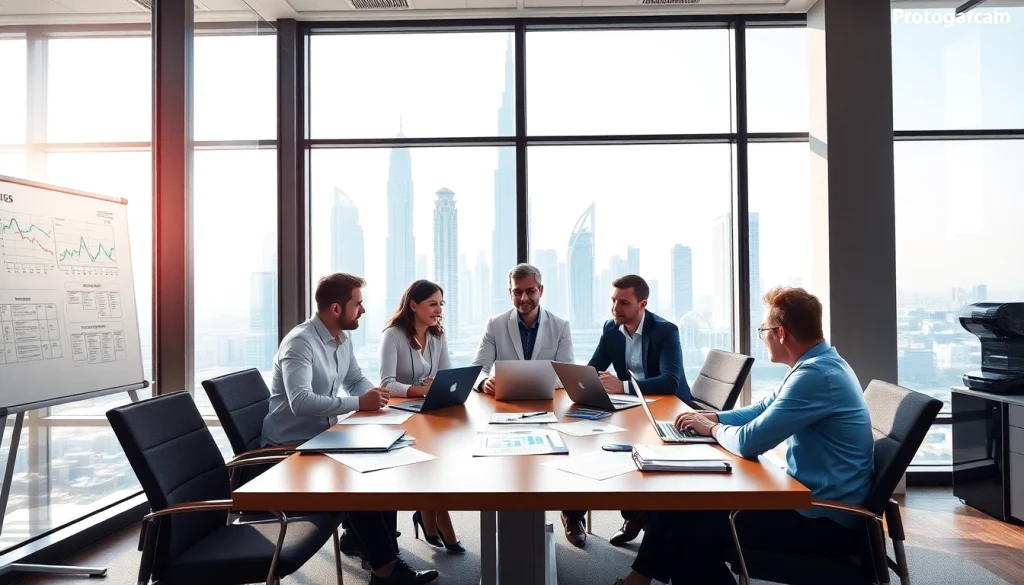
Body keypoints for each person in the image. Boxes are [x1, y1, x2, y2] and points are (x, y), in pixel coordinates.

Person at [613, 286, 875, 585]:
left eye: (764, 330)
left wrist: (712, 429)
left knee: (687, 533)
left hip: (822, 522)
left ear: (780, 333)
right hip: (803, 500)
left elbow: (750, 442)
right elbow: (762, 409)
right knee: (683, 504)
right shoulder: (817, 364)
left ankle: (639, 579)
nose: (763, 337)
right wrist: (713, 417)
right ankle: (638, 579)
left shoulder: (816, 376)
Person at [262, 273, 438, 585]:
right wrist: (358, 402)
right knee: (360, 479)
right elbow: (300, 402)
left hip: (324, 438)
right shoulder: (300, 343)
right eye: (358, 304)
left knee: (386, 460)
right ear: (335, 308)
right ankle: (385, 570)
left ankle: (374, 548)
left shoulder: (342, 338)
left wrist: (375, 396)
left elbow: (354, 379)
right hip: (293, 448)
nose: (363, 310)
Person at [565, 274, 690, 547]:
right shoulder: (611, 328)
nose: (615, 308)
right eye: (613, 301)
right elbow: (595, 366)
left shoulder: (666, 331)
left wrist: (622, 386)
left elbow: (671, 381)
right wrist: (583, 381)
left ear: (642, 304)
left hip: (668, 412)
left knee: (628, 451)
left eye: (623, 303)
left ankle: (636, 516)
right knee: (580, 439)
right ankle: (573, 515)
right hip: (631, 409)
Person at [379, 279, 464, 554]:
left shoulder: (438, 336)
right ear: (413, 305)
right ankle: (439, 521)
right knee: (427, 454)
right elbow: (386, 384)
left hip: (428, 411)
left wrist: (438, 387)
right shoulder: (393, 335)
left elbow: (446, 375)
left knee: (441, 451)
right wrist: (419, 389)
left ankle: (427, 514)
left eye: (441, 304)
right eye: (432, 304)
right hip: (399, 416)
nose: (439, 310)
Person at [470, 263, 574, 395]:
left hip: (546, 401)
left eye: (530, 291)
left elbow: (567, 374)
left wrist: (526, 384)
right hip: (506, 401)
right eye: (517, 292)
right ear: (510, 293)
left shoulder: (561, 326)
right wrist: (484, 382)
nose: (524, 298)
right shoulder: (494, 325)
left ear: (541, 290)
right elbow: (477, 369)